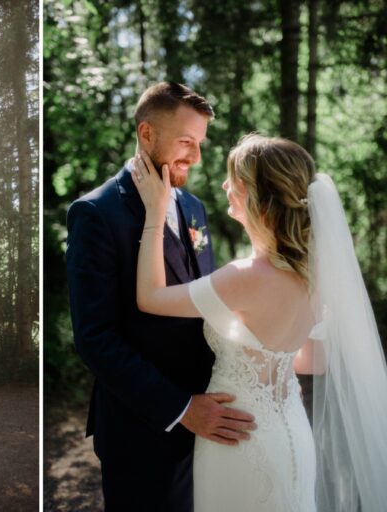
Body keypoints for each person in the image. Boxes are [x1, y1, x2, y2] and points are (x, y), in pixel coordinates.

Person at [132, 133, 387, 511]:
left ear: (257, 197)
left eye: (233, 180)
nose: (224, 186)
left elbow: (149, 299)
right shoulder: (314, 277)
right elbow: (311, 359)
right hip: (290, 431)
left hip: (239, 440)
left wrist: (156, 212)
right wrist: (275, 373)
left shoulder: (244, 277)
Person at [66, 82, 255, 511]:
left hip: (209, 422)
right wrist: (182, 408)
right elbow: (95, 338)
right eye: (186, 142)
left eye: (201, 143)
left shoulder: (194, 207)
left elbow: (205, 305)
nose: (197, 156)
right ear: (147, 134)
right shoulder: (96, 214)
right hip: (143, 429)